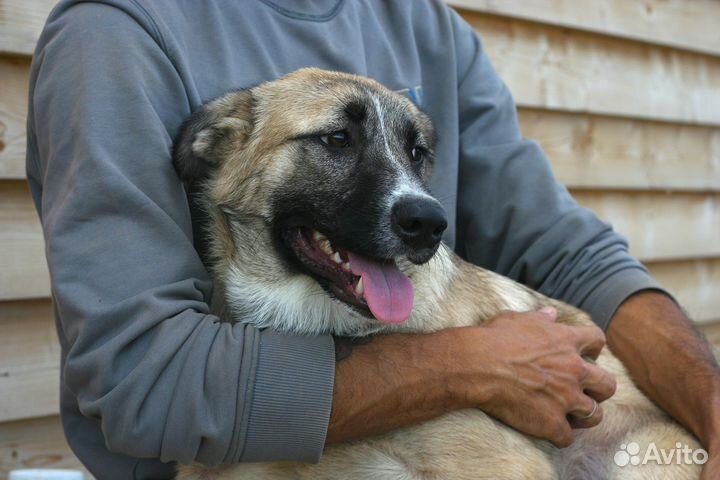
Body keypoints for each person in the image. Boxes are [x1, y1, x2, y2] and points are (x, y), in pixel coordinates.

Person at [26, 0, 720, 478]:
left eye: (417, 154)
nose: (414, 194)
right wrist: (467, 364)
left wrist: (712, 411)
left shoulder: (421, 21)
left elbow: (572, 254)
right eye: (336, 140)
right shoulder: (119, 31)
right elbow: (142, 380)